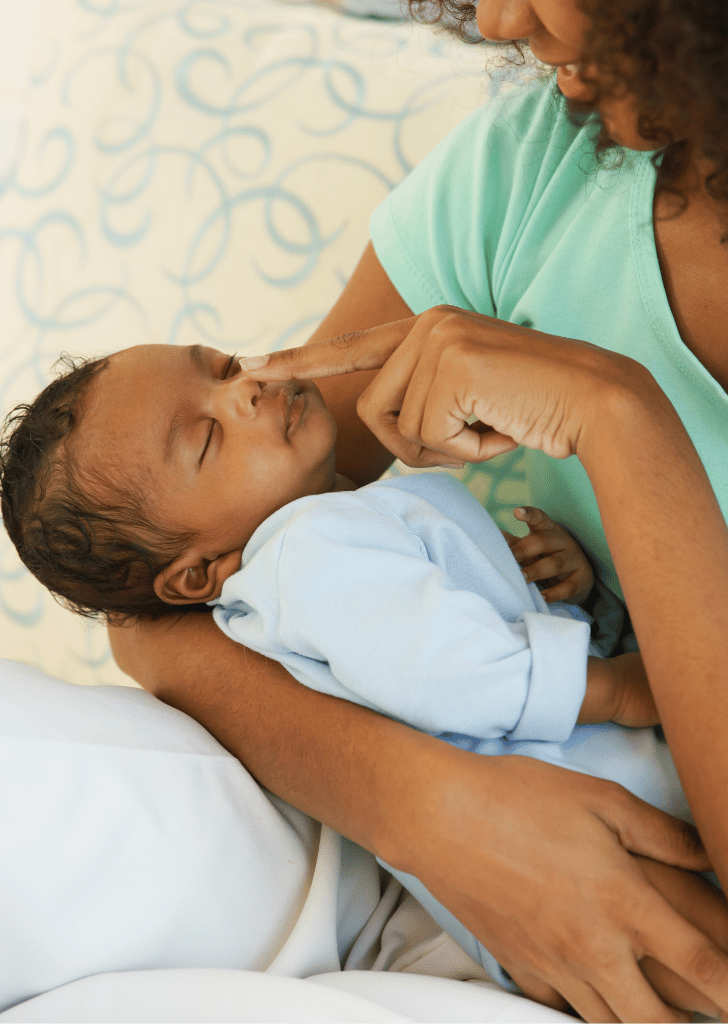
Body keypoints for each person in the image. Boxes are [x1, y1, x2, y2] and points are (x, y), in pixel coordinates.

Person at [107, 1, 728, 1020]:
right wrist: (435, 813)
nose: (491, 20)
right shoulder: (532, 175)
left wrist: (618, 422)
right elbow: (147, 607)